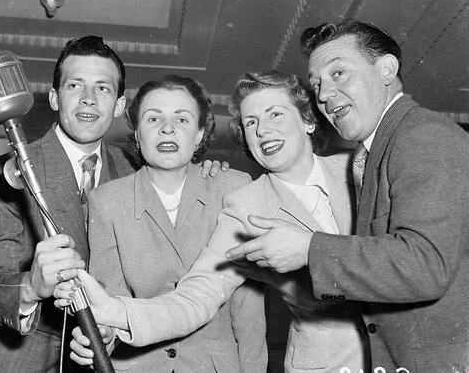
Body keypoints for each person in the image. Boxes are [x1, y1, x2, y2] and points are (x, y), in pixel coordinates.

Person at [56, 71, 369, 373]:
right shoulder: (246, 204)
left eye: (275, 114)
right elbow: (199, 294)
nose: (262, 130)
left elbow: (247, 314)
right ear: (136, 133)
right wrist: (113, 315)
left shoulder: (357, 168)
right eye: (251, 122)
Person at [0, 36, 226, 372]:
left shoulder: (137, 171)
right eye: (76, 85)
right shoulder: (5, 175)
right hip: (19, 357)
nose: (88, 99)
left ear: (118, 105)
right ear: (55, 98)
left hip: (108, 358)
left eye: (102, 88)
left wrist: (205, 174)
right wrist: (32, 285)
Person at [226, 21, 469, 372]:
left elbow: (425, 265)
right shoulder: (372, 154)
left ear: (386, 69)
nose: (324, 94)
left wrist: (308, 248)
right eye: (318, 84)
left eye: (339, 73)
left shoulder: (422, 136)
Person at [83, 75, 267, 372]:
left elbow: (248, 309)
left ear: (199, 134)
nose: (167, 129)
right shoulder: (106, 201)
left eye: (182, 120)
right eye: (153, 118)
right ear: (138, 133)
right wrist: (105, 334)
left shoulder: (233, 188)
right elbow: (110, 302)